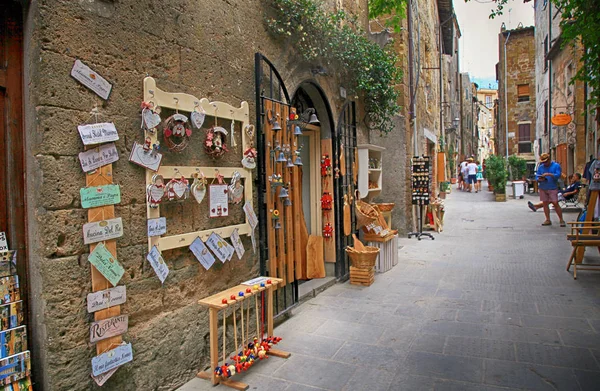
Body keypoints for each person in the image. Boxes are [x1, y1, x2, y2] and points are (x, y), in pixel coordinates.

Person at [534, 153, 565, 226]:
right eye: (543, 162)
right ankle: (547, 219)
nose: (544, 163)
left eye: (546, 162)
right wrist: (539, 179)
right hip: (543, 187)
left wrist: (548, 174)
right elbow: (537, 176)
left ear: (549, 160)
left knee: (555, 203)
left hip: (552, 187)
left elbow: (558, 175)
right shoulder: (541, 167)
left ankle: (561, 219)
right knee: (545, 203)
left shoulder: (556, 166)